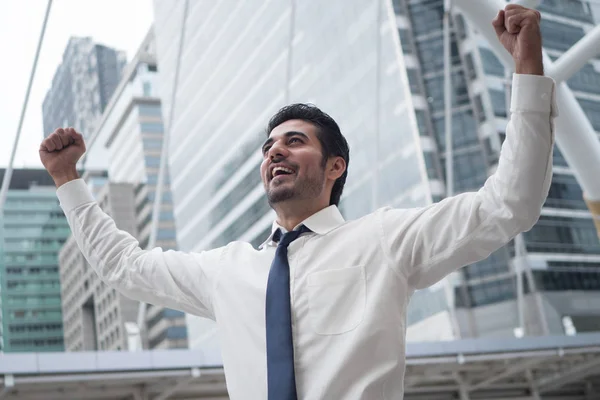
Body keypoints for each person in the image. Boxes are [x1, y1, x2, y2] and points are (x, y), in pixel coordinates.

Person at [40, 5, 556, 400]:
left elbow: (510, 202)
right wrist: (67, 180)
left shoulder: (386, 239)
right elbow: (124, 267)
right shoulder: (227, 271)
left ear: (335, 167)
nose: (275, 152)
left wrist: (527, 67)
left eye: (294, 141)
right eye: (268, 147)